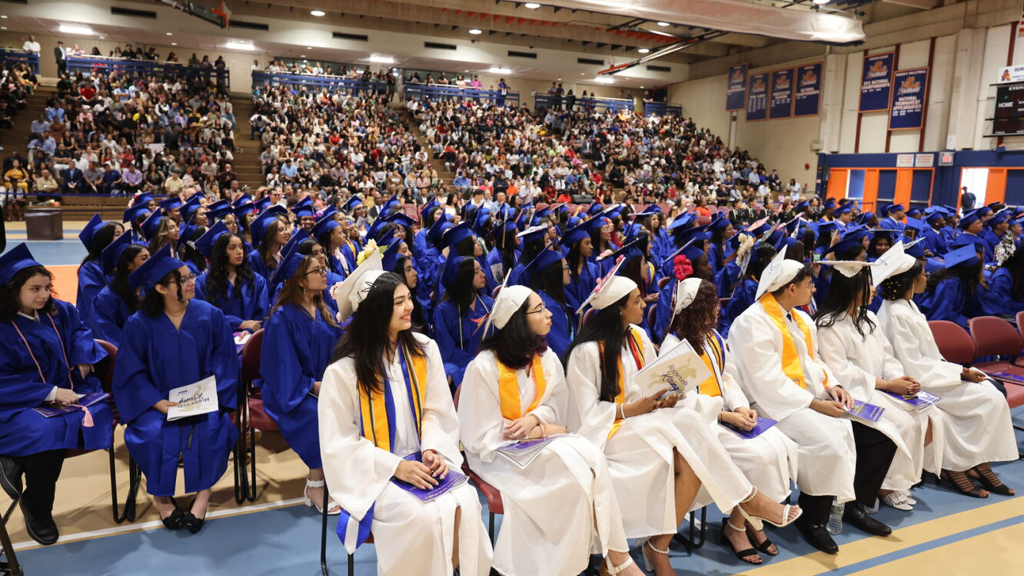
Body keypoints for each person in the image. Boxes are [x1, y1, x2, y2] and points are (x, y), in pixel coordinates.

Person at [566, 267, 800, 575]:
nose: (644, 305)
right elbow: (587, 415)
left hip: (645, 421)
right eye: (637, 301)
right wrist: (633, 409)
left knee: (691, 439)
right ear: (619, 308)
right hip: (609, 431)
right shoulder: (585, 352)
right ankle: (748, 498)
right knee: (691, 436)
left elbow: (649, 383)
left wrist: (664, 397)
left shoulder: (637, 337)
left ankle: (659, 545)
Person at [319, 256, 493, 576]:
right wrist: (396, 466)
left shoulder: (424, 350)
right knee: (422, 517)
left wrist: (433, 449)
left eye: (408, 298)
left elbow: (437, 411)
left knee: (467, 501)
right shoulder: (343, 372)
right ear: (376, 311)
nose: (409, 306)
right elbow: (339, 444)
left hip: (422, 460)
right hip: (376, 473)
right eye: (399, 302)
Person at [459, 285, 643, 576]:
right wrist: (537, 430)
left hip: (540, 442)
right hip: (497, 455)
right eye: (539, 310)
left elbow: (557, 405)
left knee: (588, 463)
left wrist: (536, 422)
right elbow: (476, 435)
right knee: (579, 470)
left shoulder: (545, 358)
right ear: (518, 321)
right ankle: (615, 561)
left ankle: (607, 560)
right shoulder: (482, 368)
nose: (548, 314)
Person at [728, 248, 898, 555]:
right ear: (792, 288)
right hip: (772, 405)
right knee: (830, 443)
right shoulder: (753, 322)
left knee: (866, 432)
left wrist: (834, 386)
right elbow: (766, 381)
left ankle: (842, 507)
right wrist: (815, 403)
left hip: (806, 398)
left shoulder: (801, 317)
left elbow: (814, 360)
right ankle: (813, 519)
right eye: (810, 285)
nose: (815, 289)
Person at [662, 276, 799, 564]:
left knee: (780, 445)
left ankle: (745, 523)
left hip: (724, 416)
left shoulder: (712, 338)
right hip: (701, 426)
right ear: (696, 309)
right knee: (759, 457)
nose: (717, 312)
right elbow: (681, 404)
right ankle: (740, 527)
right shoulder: (674, 347)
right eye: (711, 306)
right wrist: (725, 415)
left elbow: (727, 376)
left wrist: (739, 406)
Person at [112, 246, 239, 534]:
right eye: (180, 280)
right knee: (152, 434)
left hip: (204, 400)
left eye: (190, 275)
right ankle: (162, 498)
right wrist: (157, 402)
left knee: (211, 430)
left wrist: (209, 396)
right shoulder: (139, 324)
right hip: (158, 403)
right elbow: (131, 372)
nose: (190, 282)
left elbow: (225, 360)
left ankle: (202, 497)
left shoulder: (211, 315)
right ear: (160, 288)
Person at [876, 244, 1018, 498]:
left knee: (990, 393)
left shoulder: (908, 306)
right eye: (922, 274)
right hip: (916, 381)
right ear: (910, 280)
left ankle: (974, 461)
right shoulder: (896, 313)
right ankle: (957, 466)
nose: (927, 276)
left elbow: (928, 356)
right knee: (989, 398)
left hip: (933, 373)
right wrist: (960, 374)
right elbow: (912, 365)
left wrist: (959, 370)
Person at [0, 244, 114, 545]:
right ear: (12, 290)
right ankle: (38, 507)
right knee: (47, 430)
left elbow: (80, 330)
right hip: (17, 402)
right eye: (34, 289)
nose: (43, 295)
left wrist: (80, 353)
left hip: (70, 390)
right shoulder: (2, 327)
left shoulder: (58, 310)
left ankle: (15, 461)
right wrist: (49, 392)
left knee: (98, 409)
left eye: (47, 287)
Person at [815, 259, 943, 511]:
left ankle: (899, 478)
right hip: (855, 393)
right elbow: (841, 371)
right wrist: (887, 384)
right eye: (868, 284)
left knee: (931, 415)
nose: (874, 289)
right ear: (851, 288)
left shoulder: (869, 317)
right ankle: (885, 485)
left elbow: (886, 356)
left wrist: (901, 379)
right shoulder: (828, 324)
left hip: (880, 387)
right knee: (903, 423)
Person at [260, 246, 343, 514]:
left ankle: (340, 475)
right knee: (317, 414)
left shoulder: (325, 307)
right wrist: (314, 386)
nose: (324, 273)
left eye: (323, 268)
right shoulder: (282, 317)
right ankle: (315, 484)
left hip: (322, 384)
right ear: (300, 280)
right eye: (317, 271)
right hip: (289, 389)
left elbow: (339, 346)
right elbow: (282, 368)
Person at [194, 222, 269, 333]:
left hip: (249, 338)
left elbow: (263, 314)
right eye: (232, 248)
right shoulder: (203, 282)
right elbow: (204, 315)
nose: (239, 252)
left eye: (240, 247)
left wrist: (248, 330)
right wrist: (240, 323)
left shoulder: (256, 280)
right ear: (220, 252)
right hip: (219, 339)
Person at [432, 256, 492, 389]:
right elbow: (447, 350)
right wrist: (475, 364)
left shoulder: (488, 303)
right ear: (464, 277)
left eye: (481, 269)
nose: (483, 274)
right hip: (465, 371)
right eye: (476, 272)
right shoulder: (444, 311)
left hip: (492, 366)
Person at [89, 234, 149, 347]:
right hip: (126, 354)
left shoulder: (148, 288)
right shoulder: (107, 297)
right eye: (144, 258)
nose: (150, 262)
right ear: (129, 265)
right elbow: (107, 333)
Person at [77, 216, 124, 327]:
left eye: (123, 233)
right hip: (102, 323)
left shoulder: (124, 262)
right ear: (104, 239)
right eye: (117, 234)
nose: (123, 237)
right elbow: (95, 303)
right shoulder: (89, 269)